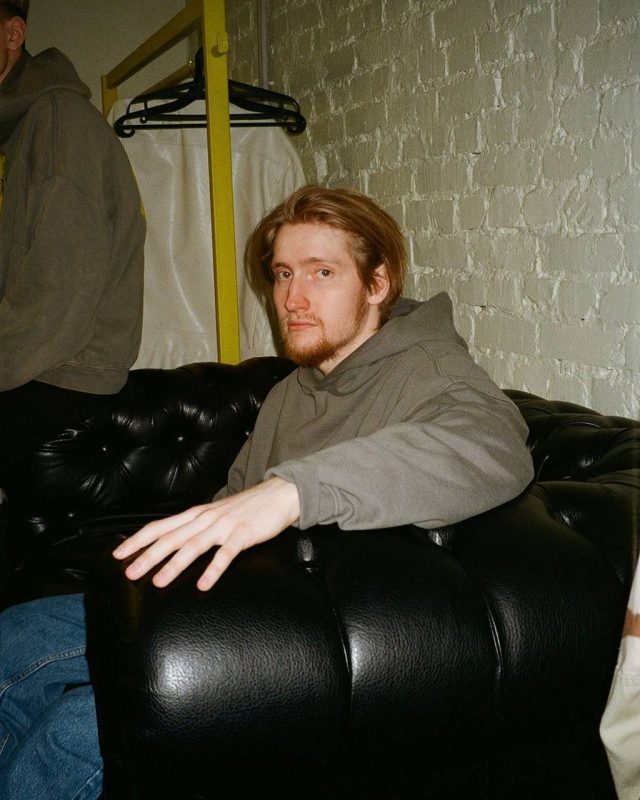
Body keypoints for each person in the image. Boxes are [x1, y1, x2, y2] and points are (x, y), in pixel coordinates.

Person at [0, 185, 534, 798]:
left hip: (324, 643)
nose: (293, 299)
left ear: (377, 283)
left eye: (322, 273)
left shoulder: (429, 371)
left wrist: (292, 492)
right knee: (13, 638)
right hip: (249, 602)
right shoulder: (293, 390)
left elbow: (492, 443)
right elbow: (234, 501)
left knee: (80, 728)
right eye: (283, 274)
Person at [0, 1, 145, 501]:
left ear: (13, 34)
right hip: (48, 361)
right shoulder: (23, 127)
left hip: (70, 371)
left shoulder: (57, 120)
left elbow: (59, 291)